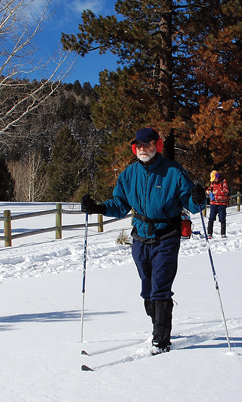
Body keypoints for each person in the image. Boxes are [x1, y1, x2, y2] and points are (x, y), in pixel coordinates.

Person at [81, 127, 205, 353]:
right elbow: (119, 205)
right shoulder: (128, 175)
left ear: (157, 145)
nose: (143, 148)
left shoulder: (174, 172)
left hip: (166, 237)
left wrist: (198, 198)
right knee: (147, 289)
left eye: (147, 144)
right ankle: (157, 323)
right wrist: (97, 207)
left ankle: (161, 340)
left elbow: (191, 203)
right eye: (139, 145)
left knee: (160, 287)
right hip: (139, 238)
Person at [206, 170, 230, 238]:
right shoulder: (212, 182)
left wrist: (216, 193)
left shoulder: (223, 181)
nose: (214, 180)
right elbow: (210, 188)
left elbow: (226, 191)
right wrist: (208, 191)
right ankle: (209, 233)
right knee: (211, 218)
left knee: (222, 218)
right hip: (213, 203)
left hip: (222, 204)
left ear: (217, 176)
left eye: (214, 179)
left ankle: (223, 233)